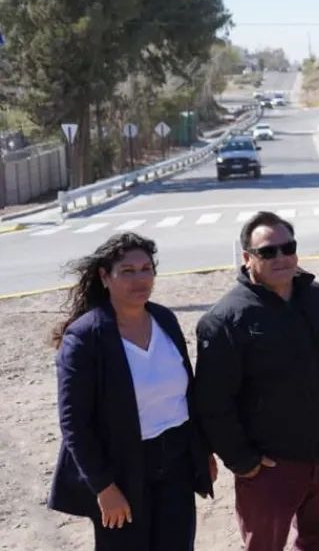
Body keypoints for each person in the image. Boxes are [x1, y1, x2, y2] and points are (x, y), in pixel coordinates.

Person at [194, 211, 319, 551]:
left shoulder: (318, 298)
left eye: (287, 248)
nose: (280, 257)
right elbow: (213, 402)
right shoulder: (225, 320)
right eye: (268, 251)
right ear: (247, 258)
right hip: (269, 469)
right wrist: (243, 461)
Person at [48, 232, 214, 551]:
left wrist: (201, 449)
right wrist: (104, 488)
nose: (140, 279)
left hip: (177, 461)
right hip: (122, 469)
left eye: (146, 269)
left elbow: (185, 393)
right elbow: (74, 424)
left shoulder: (164, 318)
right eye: (127, 271)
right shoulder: (85, 338)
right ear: (104, 277)